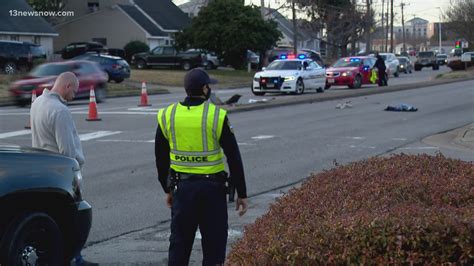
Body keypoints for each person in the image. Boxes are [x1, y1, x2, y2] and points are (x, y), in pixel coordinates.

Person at [155, 68, 248, 265]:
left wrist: (168, 187)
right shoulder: (216, 115)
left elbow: (160, 159)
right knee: (214, 248)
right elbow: (233, 157)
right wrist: (242, 192)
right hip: (212, 192)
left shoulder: (168, 115)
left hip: (182, 190)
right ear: (204, 89)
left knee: (179, 246)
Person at [30, 72, 97, 266]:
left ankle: (53, 256)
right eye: (74, 92)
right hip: (61, 173)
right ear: (67, 86)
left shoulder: (37, 104)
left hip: (42, 169)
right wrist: (75, 171)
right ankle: (74, 259)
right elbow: (67, 151)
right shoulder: (60, 111)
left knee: (51, 218)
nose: (74, 96)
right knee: (71, 218)